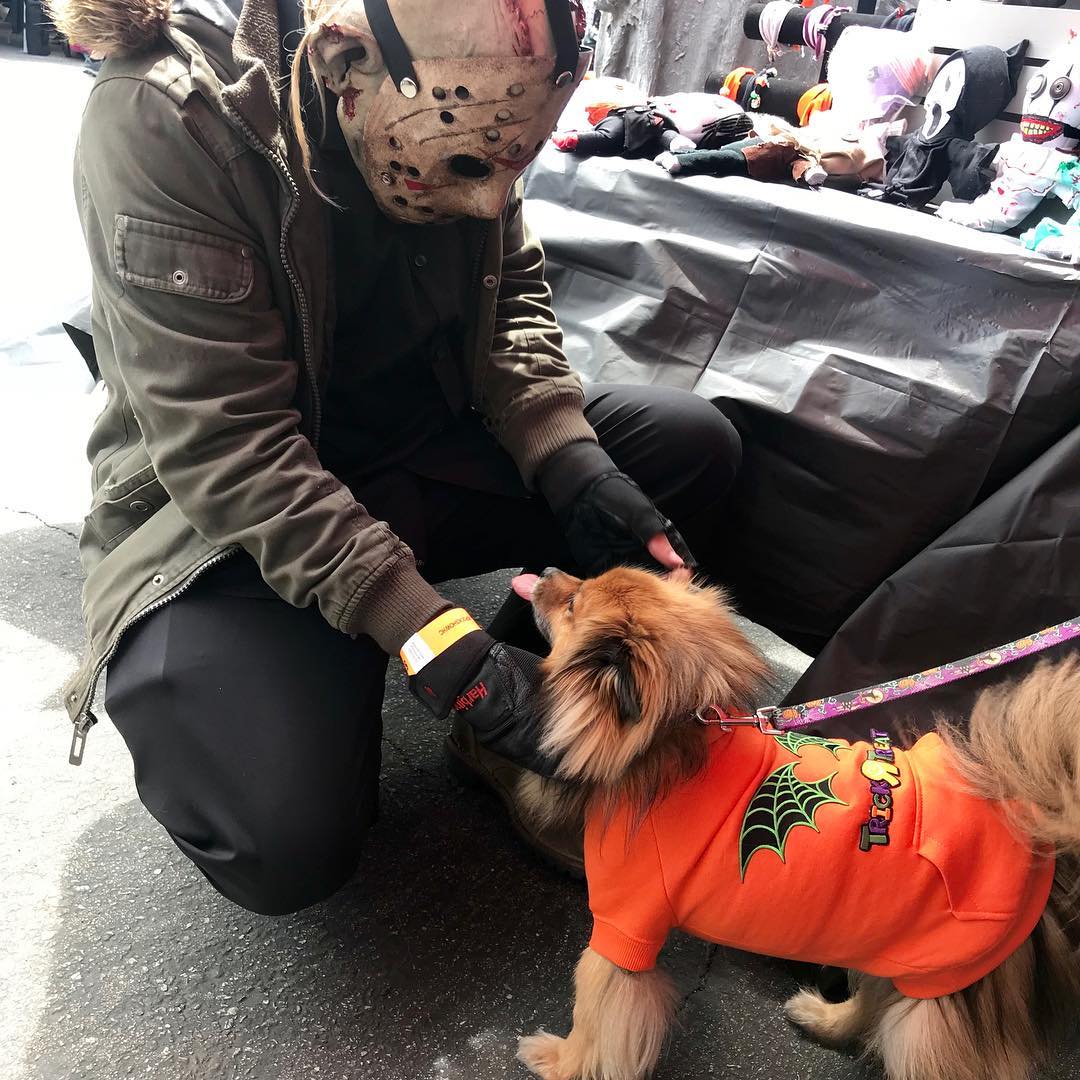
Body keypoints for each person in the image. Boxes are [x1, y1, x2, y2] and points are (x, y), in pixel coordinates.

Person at [52, 0, 743, 915]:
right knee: (282, 838)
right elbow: (231, 446)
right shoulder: (168, 114)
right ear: (345, 66)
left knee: (685, 450)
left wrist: (570, 459)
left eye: (512, 167)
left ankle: (516, 719)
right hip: (232, 520)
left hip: (422, 451)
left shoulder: (466, 99)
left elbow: (513, 306)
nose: (490, 202)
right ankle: (436, 674)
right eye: (466, 167)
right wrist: (424, 629)